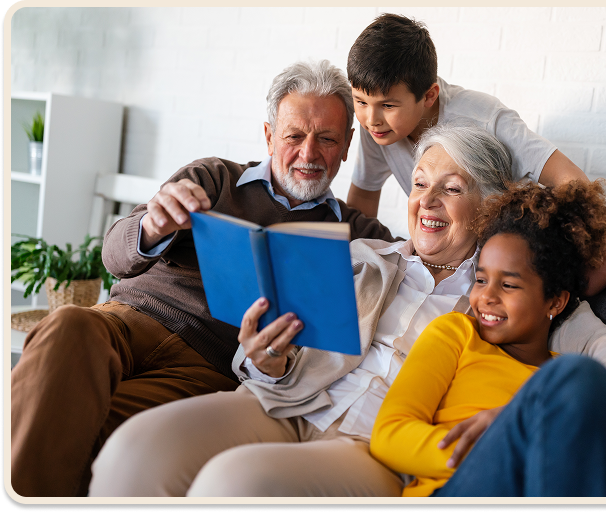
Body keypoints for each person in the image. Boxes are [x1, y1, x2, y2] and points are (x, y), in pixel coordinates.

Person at [89, 124, 606, 497]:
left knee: (235, 483)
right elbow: (269, 364)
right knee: (134, 450)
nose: (427, 201)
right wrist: (266, 359)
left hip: (372, 449)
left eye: (452, 188)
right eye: (421, 184)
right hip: (284, 404)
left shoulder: (511, 295)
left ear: (490, 205)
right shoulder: (362, 255)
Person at [10, 60, 398, 498]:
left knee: (88, 428)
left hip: (210, 367)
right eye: (294, 136)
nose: (309, 154)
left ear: (347, 145)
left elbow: (434, 262)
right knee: (67, 325)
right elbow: (114, 256)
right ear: (270, 135)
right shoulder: (215, 177)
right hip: (128, 320)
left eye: (326, 139)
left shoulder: (360, 235)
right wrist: (154, 226)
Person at [370, 181, 606, 497]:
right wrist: (515, 430)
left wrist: (539, 419)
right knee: (575, 377)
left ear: (555, 300)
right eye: (481, 279)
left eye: (509, 284)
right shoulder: (456, 333)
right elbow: (389, 434)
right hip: (465, 485)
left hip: (574, 478)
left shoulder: (570, 383)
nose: (485, 296)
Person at [345, 13, 606, 293]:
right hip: (448, 254)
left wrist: (599, 242)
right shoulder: (379, 129)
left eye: (388, 105)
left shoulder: (486, 118)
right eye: (360, 101)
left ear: (429, 95)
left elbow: (568, 178)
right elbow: (365, 196)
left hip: (503, 254)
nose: (371, 118)